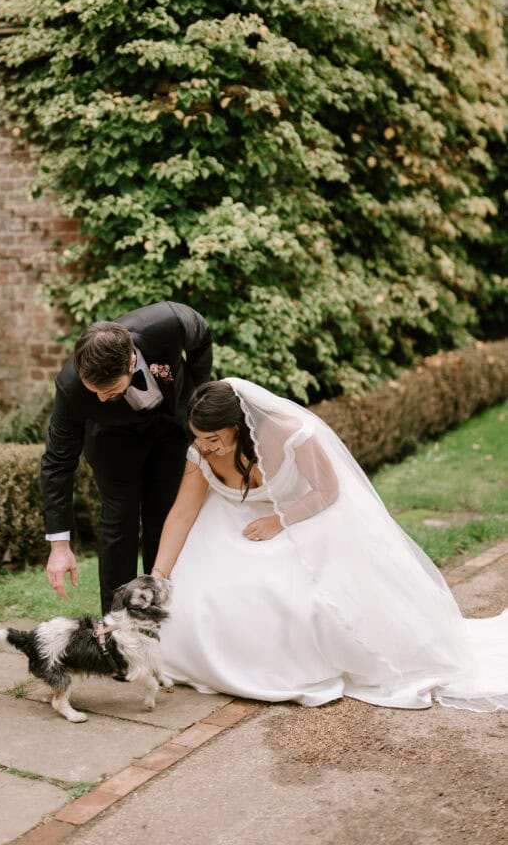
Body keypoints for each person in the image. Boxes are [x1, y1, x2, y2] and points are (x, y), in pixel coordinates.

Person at [152, 377, 508, 711]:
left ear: (239, 424)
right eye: (198, 437)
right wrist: (159, 574)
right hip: (229, 525)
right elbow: (182, 513)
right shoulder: (202, 453)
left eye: (213, 437)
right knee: (201, 598)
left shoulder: (291, 434)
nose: (204, 446)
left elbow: (328, 491)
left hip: (304, 517)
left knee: (299, 600)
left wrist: (281, 520)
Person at [41, 301, 212, 613]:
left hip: (170, 429)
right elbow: (58, 461)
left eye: (110, 392)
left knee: (164, 516)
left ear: (131, 361)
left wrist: (198, 393)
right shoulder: (70, 387)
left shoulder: (168, 323)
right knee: (119, 520)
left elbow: (202, 333)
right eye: (94, 392)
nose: (100, 398)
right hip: (112, 441)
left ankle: (165, 611)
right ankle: (117, 622)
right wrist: (60, 546)